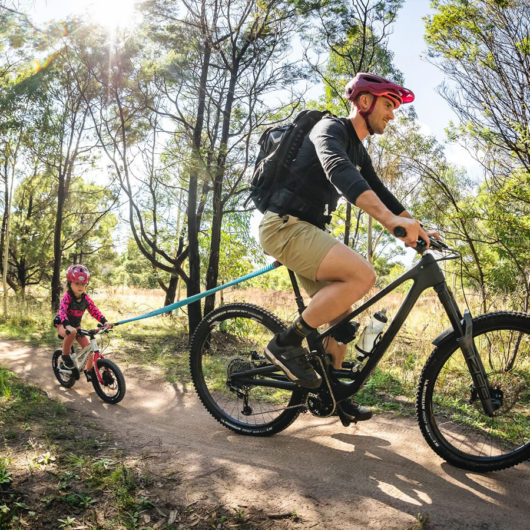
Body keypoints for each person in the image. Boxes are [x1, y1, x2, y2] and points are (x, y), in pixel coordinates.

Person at [259, 72, 439, 423]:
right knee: (363, 275)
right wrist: (390, 222)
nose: (392, 114)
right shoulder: (329, 130)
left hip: (304, 230)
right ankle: (284, 343)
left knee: (340, 321)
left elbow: (383, 193)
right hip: (284, 226)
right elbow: (339, 170)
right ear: (365, 102)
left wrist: (417, 228)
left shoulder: (358, 149)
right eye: (389, 105)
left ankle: (333, 396)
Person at [55, 264, 111, 381]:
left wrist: (104, 321)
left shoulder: (86, 299)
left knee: (89, 349)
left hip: (76, 326)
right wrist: (67, 325)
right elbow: (62, 311)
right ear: (70, 283)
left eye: (83, 284)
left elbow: (94, 310)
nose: (80, 286)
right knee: (71, 333)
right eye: (77, 283)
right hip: (63, 324)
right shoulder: (67, 296)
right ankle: (65, 356)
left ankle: (89, 371)